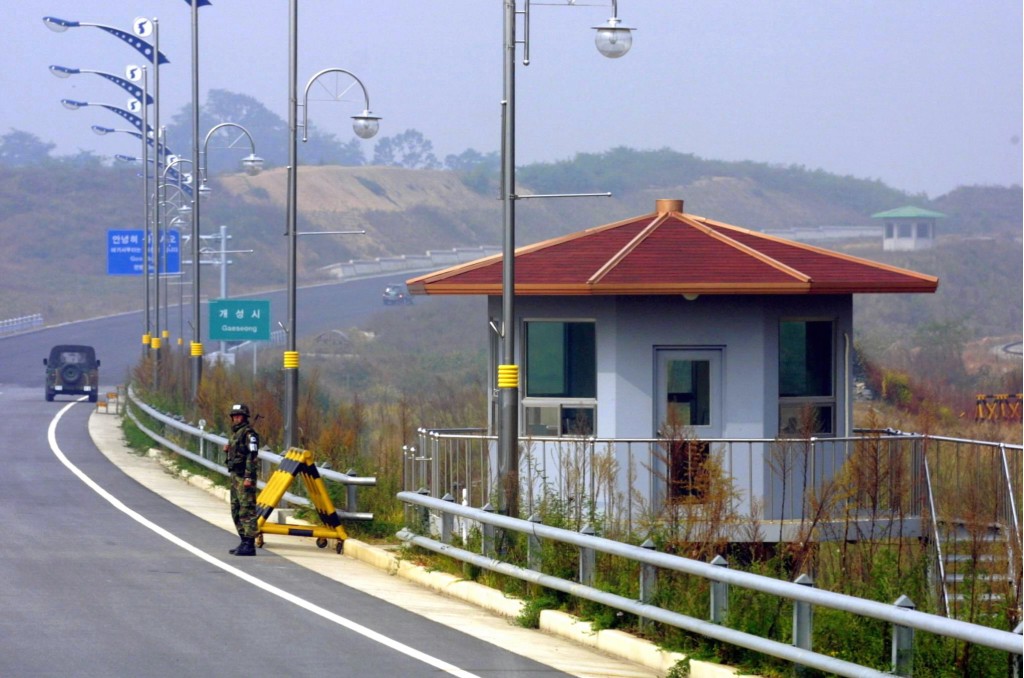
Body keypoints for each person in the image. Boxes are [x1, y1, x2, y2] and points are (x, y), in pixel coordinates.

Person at [224, 402, 260, 556]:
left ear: (244, 417)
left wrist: (248, 477)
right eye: (234, 416)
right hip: (235, 476)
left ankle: (250, 544)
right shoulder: (235, 433)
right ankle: (243, 540)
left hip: (244, 477)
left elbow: (252, 456)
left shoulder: (249, 434)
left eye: (239, 416)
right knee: (236, 510)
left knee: (247, 510)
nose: (236, 418)